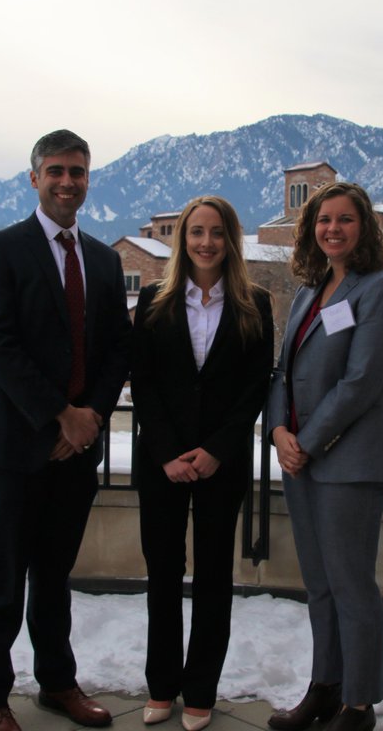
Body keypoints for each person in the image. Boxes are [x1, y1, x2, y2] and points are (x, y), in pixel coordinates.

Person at [0, 129, 132, 731]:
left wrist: (91, 419)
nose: (66, 181)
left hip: (75, 450)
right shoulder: (0, 249)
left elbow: (117, 349)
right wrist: (62, 414)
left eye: (76, 171)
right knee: (2, 580)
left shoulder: (105, 260)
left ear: (88, 180)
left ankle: (57, 683)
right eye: (55, 171)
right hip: (13, 446)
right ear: (34, 178)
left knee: (55, 578)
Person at [264, 182, 383, 731]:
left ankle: (359, 703)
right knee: (320, 585)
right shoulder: (310, 290)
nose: (333, 229)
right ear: (311, 228)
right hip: (302, 459)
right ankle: (325, 688)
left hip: (350, 463)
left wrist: (307, 441)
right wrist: (278, 430)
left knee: (351, 585)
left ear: (363, 227)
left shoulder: (379, 290)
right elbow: (283, 370)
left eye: (345, 219)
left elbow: (361, 381)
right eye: (324, 219)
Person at [130, 196, 274, 731]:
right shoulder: (154, 299)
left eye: (216, 232)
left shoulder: (255, 303)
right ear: (182, 239)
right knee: (163, 576)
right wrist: (167, 452)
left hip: (221, 463)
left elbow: (255, 386)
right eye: (196, 232)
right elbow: (143, 382)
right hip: (161, 463)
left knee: (214, 578)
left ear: (231, 239)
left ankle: (200, 691)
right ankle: (161, 685)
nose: (206, 242)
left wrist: (217, 449)